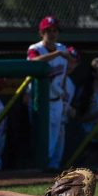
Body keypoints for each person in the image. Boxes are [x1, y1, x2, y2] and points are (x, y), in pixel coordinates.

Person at [26, 15, 74, 170]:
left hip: (57, 99)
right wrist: (58, 54)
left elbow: (65, 74)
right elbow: (33, 61)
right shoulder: (35, 48)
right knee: (43, 136)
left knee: (59, 136)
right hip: (40, 101)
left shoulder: (62, 48)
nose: (52, 34)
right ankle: (42, 168)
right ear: (41, 33)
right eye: (48, 31)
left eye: (54, 31)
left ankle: (53, 168)